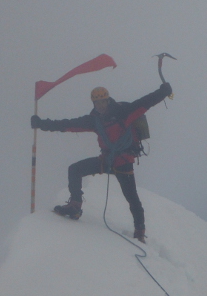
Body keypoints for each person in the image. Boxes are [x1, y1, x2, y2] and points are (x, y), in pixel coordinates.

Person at [31, 82, 172, 243]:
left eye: (102, 101)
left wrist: (163, 92)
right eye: (96, 103)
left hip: (123, 162)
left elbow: (145, 102)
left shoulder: (123, 112)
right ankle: (75, 206)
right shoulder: (94, 120)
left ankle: (140, 232)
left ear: (108, 100)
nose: (100, 105)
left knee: (131, 197)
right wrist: (42, 124)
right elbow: (67, 125)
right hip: (106, 161)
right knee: (75, 169)